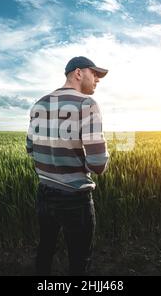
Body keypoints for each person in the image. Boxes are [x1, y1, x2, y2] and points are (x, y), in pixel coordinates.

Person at [26, 56, 110, 275]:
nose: (98, 80)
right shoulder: (87, 104)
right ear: (78, 73)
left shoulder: (39, 104)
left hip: (44, 194)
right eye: (95, 74)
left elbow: (30, 147)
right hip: (75, 198)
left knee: (45, 250)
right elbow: (98, 164)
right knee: (79, 260)